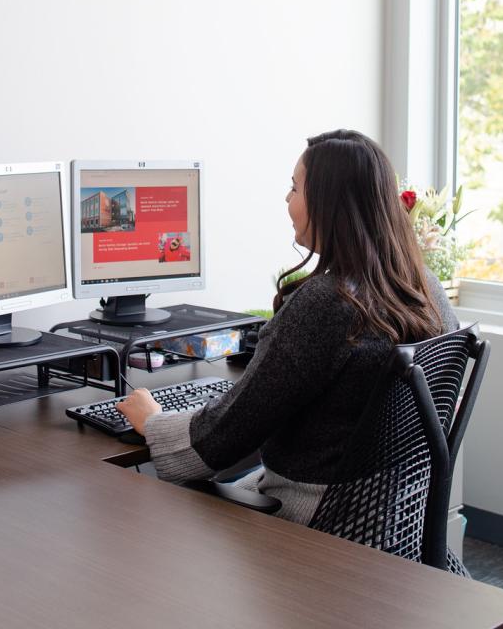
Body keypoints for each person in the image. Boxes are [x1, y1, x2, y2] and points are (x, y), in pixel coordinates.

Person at [116, 129, 458, 538]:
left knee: (149, 504)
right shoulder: (426, 289)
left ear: (329, 205)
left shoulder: (326, 304)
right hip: (389, 515)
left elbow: (222, 438)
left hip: (315, 519)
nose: (287, 200)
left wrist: (153, 421)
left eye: (294, 188)